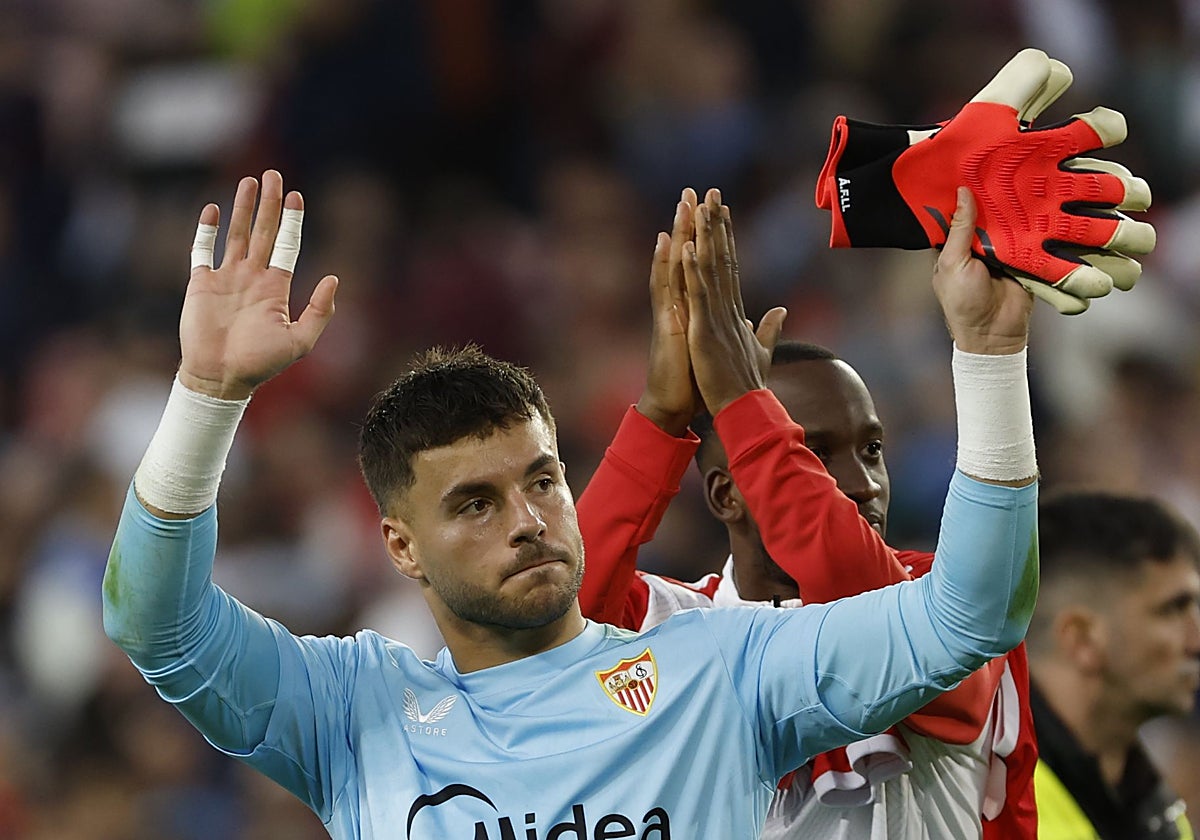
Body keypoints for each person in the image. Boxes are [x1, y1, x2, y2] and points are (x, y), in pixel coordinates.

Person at [102, 169, 1037, 839]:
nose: (527, 520)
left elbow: (972, 615)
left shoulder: (723, 666)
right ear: (401, 546)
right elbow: (157, 626)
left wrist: (989, 359)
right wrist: (206, 395)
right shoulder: (354, 713)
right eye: (473, 503)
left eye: (542, 481)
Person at [578, 187, 1037, 839]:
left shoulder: (945, 600)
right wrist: (659, 413)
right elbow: (551, 627)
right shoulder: (666, 628)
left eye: (872, 450)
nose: (862, 484)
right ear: (725, 493)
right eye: (811, 453)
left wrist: (742, 400)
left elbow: (859, 592)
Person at [1027, 489, 1200, 839]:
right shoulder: (982, 802)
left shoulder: (1160, 815)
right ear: (1081, 638)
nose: (1196, 640)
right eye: (1172, 610)